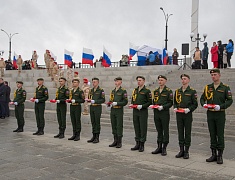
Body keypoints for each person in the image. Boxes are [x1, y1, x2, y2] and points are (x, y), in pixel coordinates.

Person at [200, 69, 233, 164]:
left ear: (219, 75)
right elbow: (202, 98)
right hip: (210, 113)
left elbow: (230, 100)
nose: (213, 76)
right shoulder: (208, 87)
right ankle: (213, 154)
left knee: (220, 134)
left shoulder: (225, 87)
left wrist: (221, 106)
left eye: (215, 74)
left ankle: (220, 155)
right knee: (212, 133)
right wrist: (203, 104)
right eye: (212, 75)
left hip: (220, 113)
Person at [174, 74, 198, 159]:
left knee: (187, 132)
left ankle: (186, 151)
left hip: (187, 114)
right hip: (179, 114)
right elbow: (175, 102)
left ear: (188, 80)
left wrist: (189, 109)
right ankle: (181, 150)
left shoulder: (192, 91)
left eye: (185, 79)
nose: (183, 80)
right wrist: (175, 108)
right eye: (182, 79)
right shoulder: (178, 91)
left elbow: (195, 104)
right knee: (180, 132)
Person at [151, 75, 173, 156]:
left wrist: (163, 107)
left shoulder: (168, 91)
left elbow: (170, 102)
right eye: (159, 80)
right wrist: (152, 106)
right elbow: (153, 101)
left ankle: (164, 147)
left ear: (165, 81)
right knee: (159, 130)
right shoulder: (155, 91)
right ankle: (159, 146)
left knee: (165, 130)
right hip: (156, 112)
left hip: (164, 113)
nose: (160, 82)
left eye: (162, 80)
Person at [130, 76, 152, 152]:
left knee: (143, 127)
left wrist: (142, 106)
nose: (138, 82)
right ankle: (137, 143)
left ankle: (142, 144)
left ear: (144, 81)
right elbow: (133, 99)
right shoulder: (135, 90)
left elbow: (149, 102)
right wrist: (132, 104)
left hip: (142, 111)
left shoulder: (147, 91)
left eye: (140, 80)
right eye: (138, 80)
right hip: (135, 111)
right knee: (136, 127)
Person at [108, 77, 128, 148]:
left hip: (119, 110)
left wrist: (117, 103)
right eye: (115, 81)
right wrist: (109, 103)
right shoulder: (113, 91)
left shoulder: (123, 91)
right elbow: (111, 99)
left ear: (120, 82)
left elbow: (125, 102)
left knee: (119, 125)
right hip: (113, 110)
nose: (116, 82)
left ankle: (119, 142)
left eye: (117, 81)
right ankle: (115, 140)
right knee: (114, 125)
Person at [86, 77, 105, 143]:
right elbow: (89, 97)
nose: (93, 83)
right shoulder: (91, 90)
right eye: (93, 82)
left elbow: (103, 100)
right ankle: (93, 135)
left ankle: (97, 136)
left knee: (97, 122)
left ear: (98, 82)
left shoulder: (101, 90)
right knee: (93, 121)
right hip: (92, 107)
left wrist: (95, 101)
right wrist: (88, 100)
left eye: (95, 82)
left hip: (97, 107)